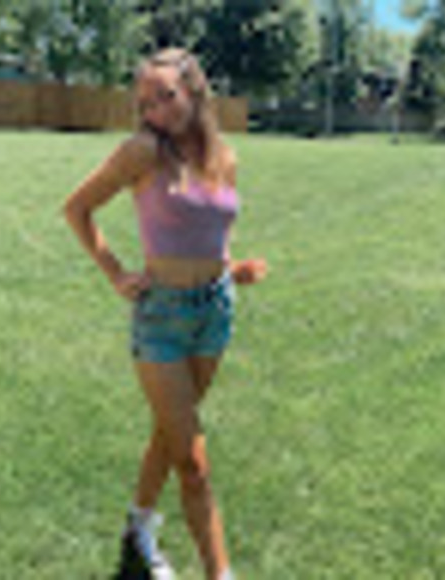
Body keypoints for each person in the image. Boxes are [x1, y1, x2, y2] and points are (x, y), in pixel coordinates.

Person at [64, 47, 267, 580]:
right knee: (193, 464)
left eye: (166, 96)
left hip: (215, 311)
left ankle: (139, 523)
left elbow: (213, 231)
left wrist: (233, 267)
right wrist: (115, 272)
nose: (155, 110)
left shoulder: (224, 158)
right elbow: (77, 208)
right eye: (146, 102)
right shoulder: (142, 152)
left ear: (195, 91)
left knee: (170, 432)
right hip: (162, 320)